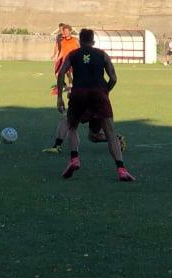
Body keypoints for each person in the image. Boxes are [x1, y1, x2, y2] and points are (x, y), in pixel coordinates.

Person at [56, 28, 135, 182]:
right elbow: (113, 77)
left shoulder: (73, 55)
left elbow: (61, 74)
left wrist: (59, 97)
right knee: (110, 133)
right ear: (93, 41)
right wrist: (106, 91)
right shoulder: (102, 55)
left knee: (72, 126)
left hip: (79, 94)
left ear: (79, 40)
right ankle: (121, 169)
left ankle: (74, 159)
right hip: (99, 94)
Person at [42, 116, 125, 154]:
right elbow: (113, 80)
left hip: (89, 102)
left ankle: (57, 146)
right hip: (99, 103)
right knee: (93, 136)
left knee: (68, 119)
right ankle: (117, 139)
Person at [51, 24, 79, 96]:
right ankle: (63, 87)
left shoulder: (75, 40)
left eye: (67, 31)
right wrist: (57, 58)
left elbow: (80, 50)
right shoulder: (62, 40)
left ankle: (71, 89)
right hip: (65, 61)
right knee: (58, 74)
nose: (65, 32)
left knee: (71, 76)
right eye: (64, 31)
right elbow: (62, 51)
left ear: (70, 32)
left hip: (74, 61)